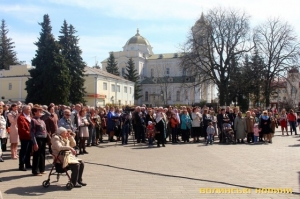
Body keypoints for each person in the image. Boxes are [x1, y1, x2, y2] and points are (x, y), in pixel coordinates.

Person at [31, 105, 47, 176]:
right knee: (37, 155)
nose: (40, 112)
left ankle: (42, 169)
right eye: (38, 111)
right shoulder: (33, 120)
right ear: (34, 113)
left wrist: (43, 109)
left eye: (41, 111)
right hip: (38, 138)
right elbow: (32, 133)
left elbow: (49, 114)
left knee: (42, 154)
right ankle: (35, 171)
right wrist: (35, 143)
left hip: (43, 138)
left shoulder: (41, 119)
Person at [17, 105, 32, 171]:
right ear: (24, 110)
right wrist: (29, 134)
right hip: (25, 137)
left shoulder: (29, 117)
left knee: (29, 151)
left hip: (30, 137)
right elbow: (22, 129)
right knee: (24, 151)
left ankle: (28, 164)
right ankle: (21, 165)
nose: (30, 110)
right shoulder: (21, 117)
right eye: (28, 109)